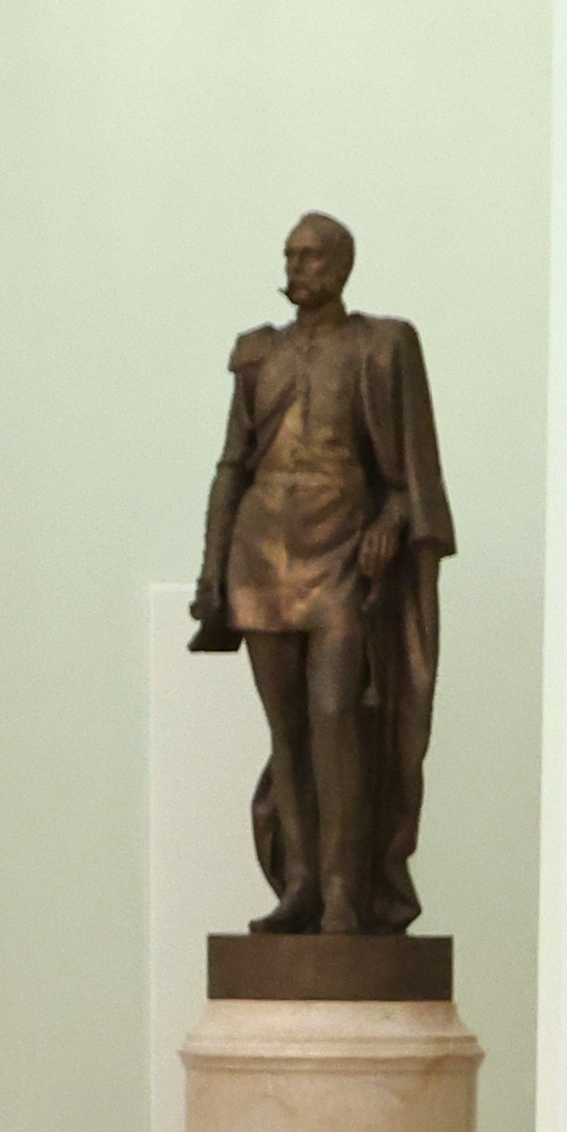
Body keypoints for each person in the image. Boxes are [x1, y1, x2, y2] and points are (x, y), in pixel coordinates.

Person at [189, 210, 451, 935]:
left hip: (339, 553)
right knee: (288, 729)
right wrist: (211, 572)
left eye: (310, 257)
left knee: (337, 717)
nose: (297, 268)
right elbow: (231, 468)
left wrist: (390, 524)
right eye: (290, 256)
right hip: (260, 553)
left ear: (341, 266)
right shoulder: (258, 355)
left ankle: (345, 891)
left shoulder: (382, 346)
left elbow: (409, 480)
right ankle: (300, 885)